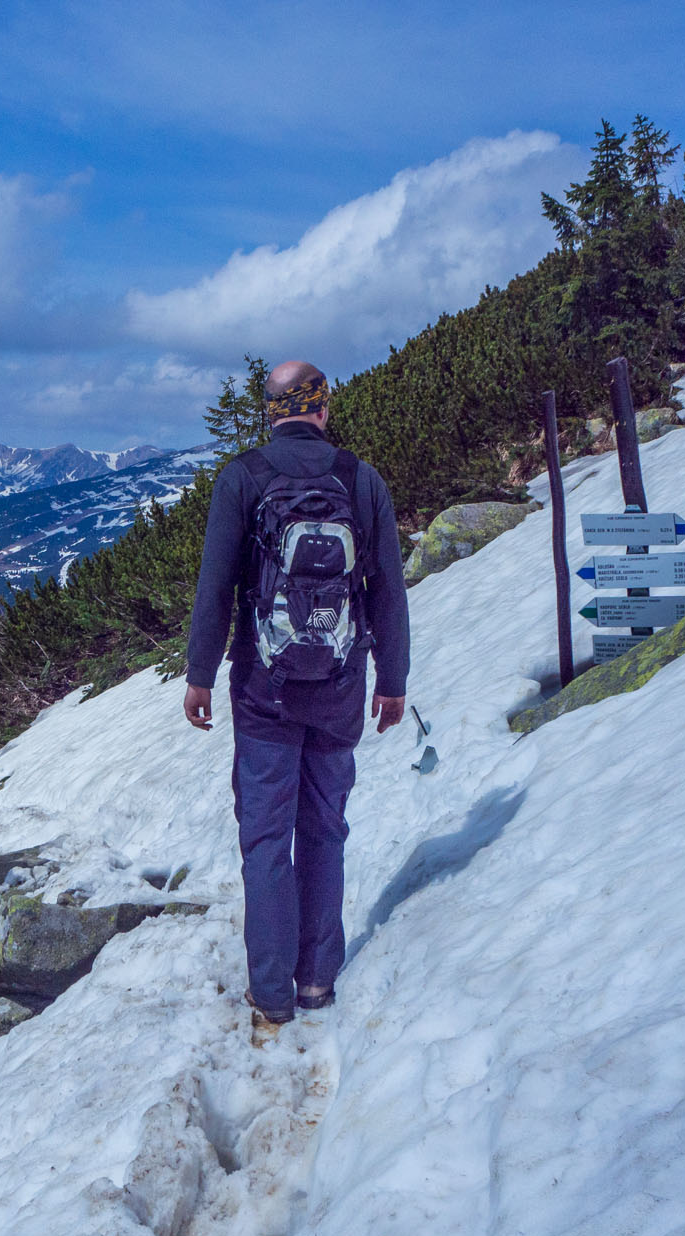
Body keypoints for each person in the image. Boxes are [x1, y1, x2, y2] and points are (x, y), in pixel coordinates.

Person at [183, 360, 410, 1027]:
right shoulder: (361, 480)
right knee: (324, 831)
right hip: (341, 686)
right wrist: (391, 680)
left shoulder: (244, 477)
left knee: (265, 839)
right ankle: (317, 981)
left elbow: (215, 585)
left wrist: (200, 673)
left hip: (263, 690)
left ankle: (272, 994)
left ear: (272, 410)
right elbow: (388, 590)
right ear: (322, 407)